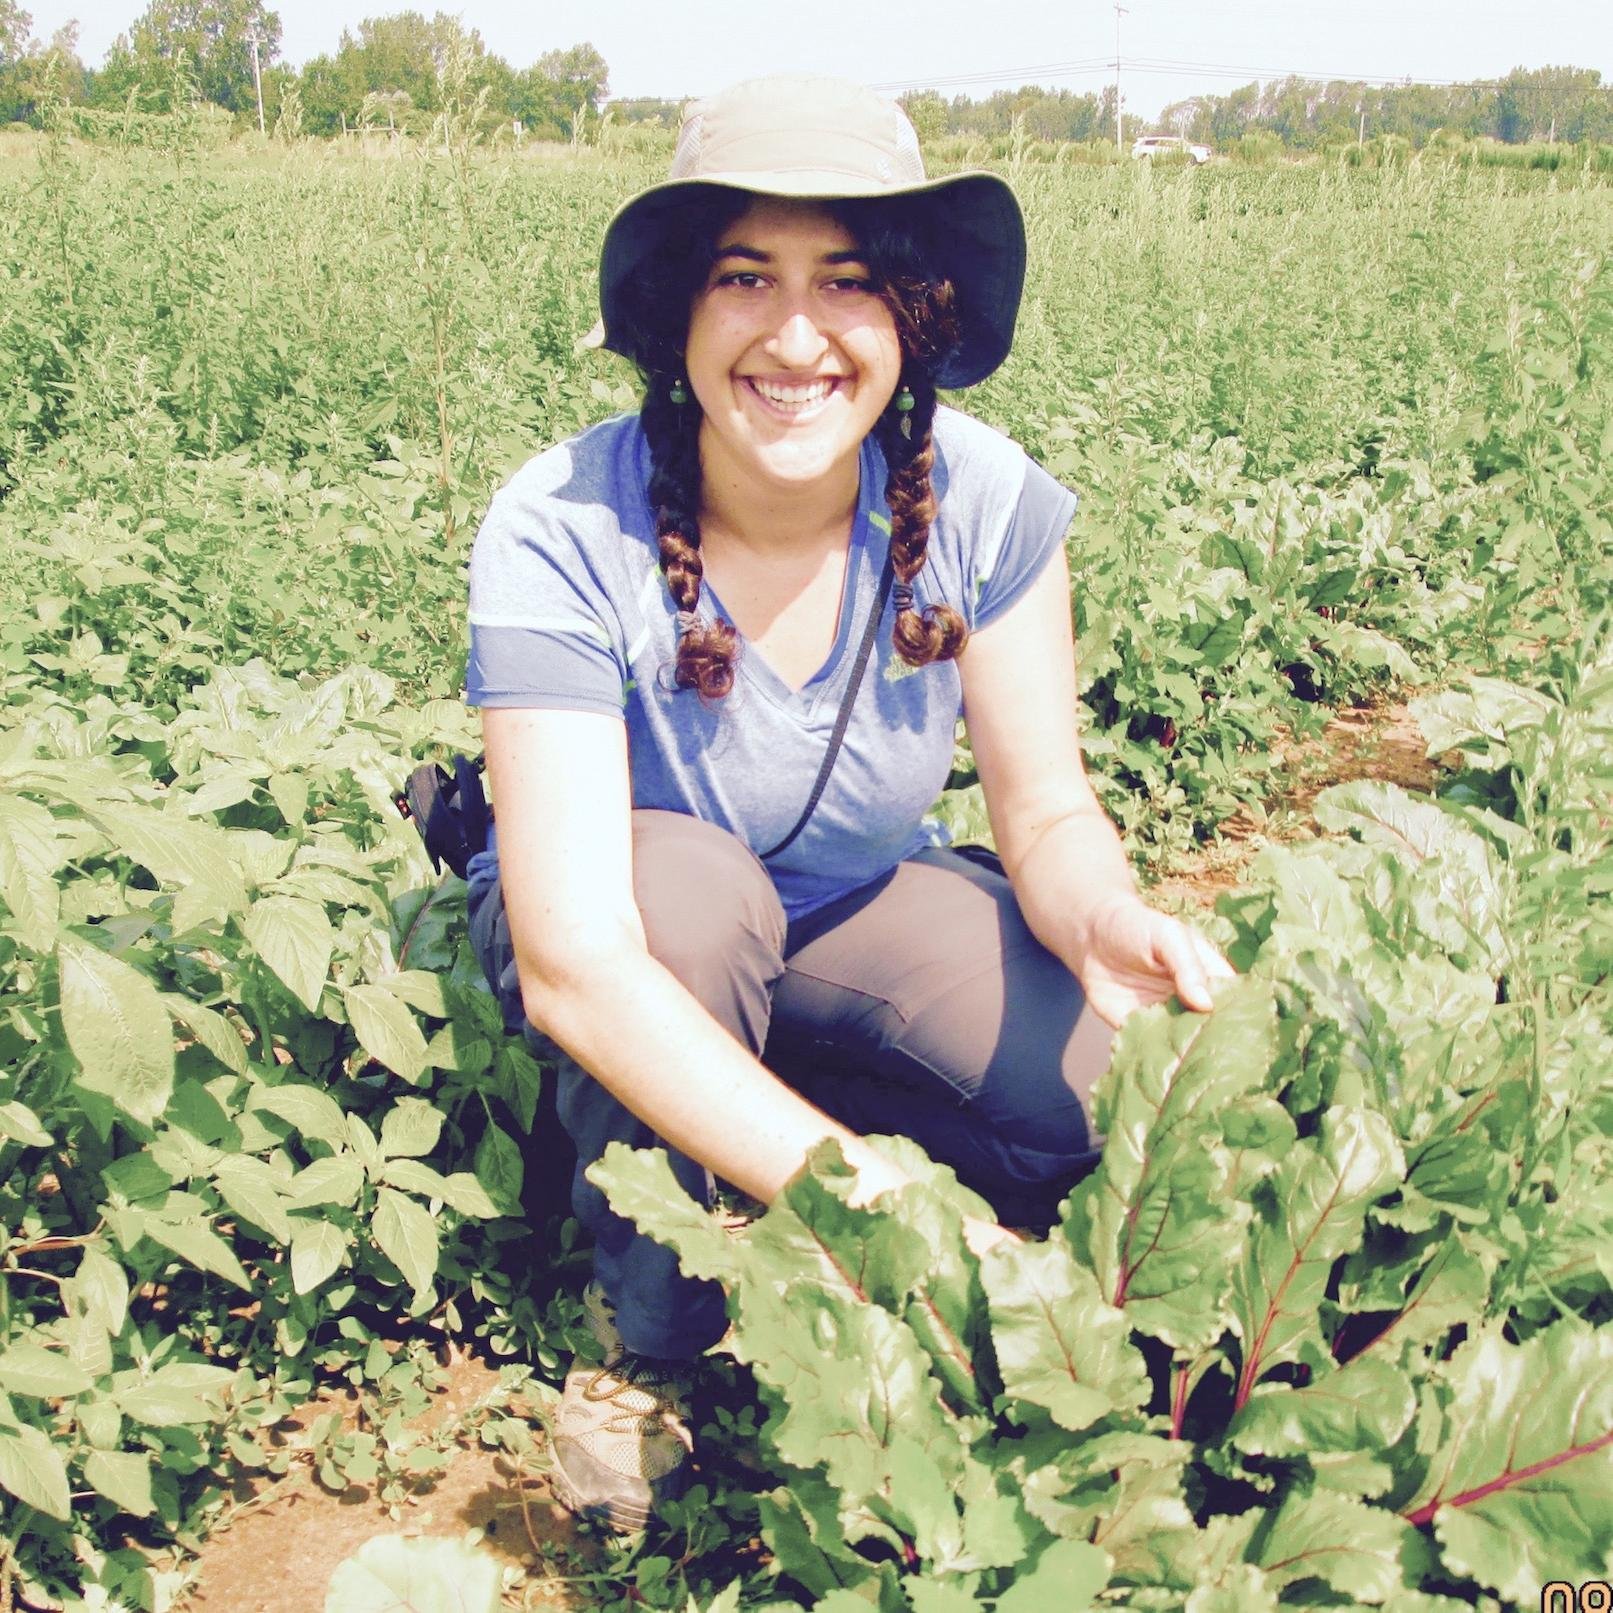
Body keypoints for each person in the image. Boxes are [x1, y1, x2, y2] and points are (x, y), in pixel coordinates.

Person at [464, 75, 1235, 1530]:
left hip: (857, 904)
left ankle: (764, 1106)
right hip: (646, 922)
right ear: (681, 316)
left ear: (913, 321)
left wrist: (1100, 916)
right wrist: (846, 1190)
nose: (798, 334)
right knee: (692, 902)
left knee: (1081, 1105)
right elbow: (579, 959)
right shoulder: (562, 524)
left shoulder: (990, 503)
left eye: (851, 283)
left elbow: (1047, 810)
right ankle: (653, 1347)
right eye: (746, 277)